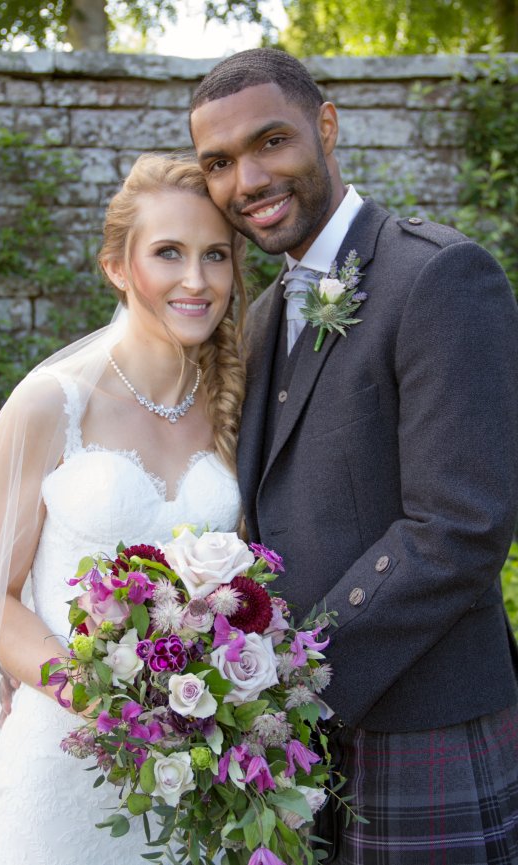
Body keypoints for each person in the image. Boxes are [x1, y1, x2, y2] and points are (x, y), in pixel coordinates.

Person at [189, 48, 518, 864]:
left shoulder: (438, 275)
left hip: (425, 718)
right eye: (220, 163)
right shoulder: (260, 318)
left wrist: (298, 673)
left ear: (326, 127)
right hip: (304, 739)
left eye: (271, 142)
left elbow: (462, 526)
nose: (248, 180)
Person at [0, 153, 247, 865]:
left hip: (199, 766)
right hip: (67, 760)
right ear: (117, 265)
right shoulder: (50, 403)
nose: (196, 280)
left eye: (216, 255)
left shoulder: (235, 403)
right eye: (168, 253)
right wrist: (110, 704)